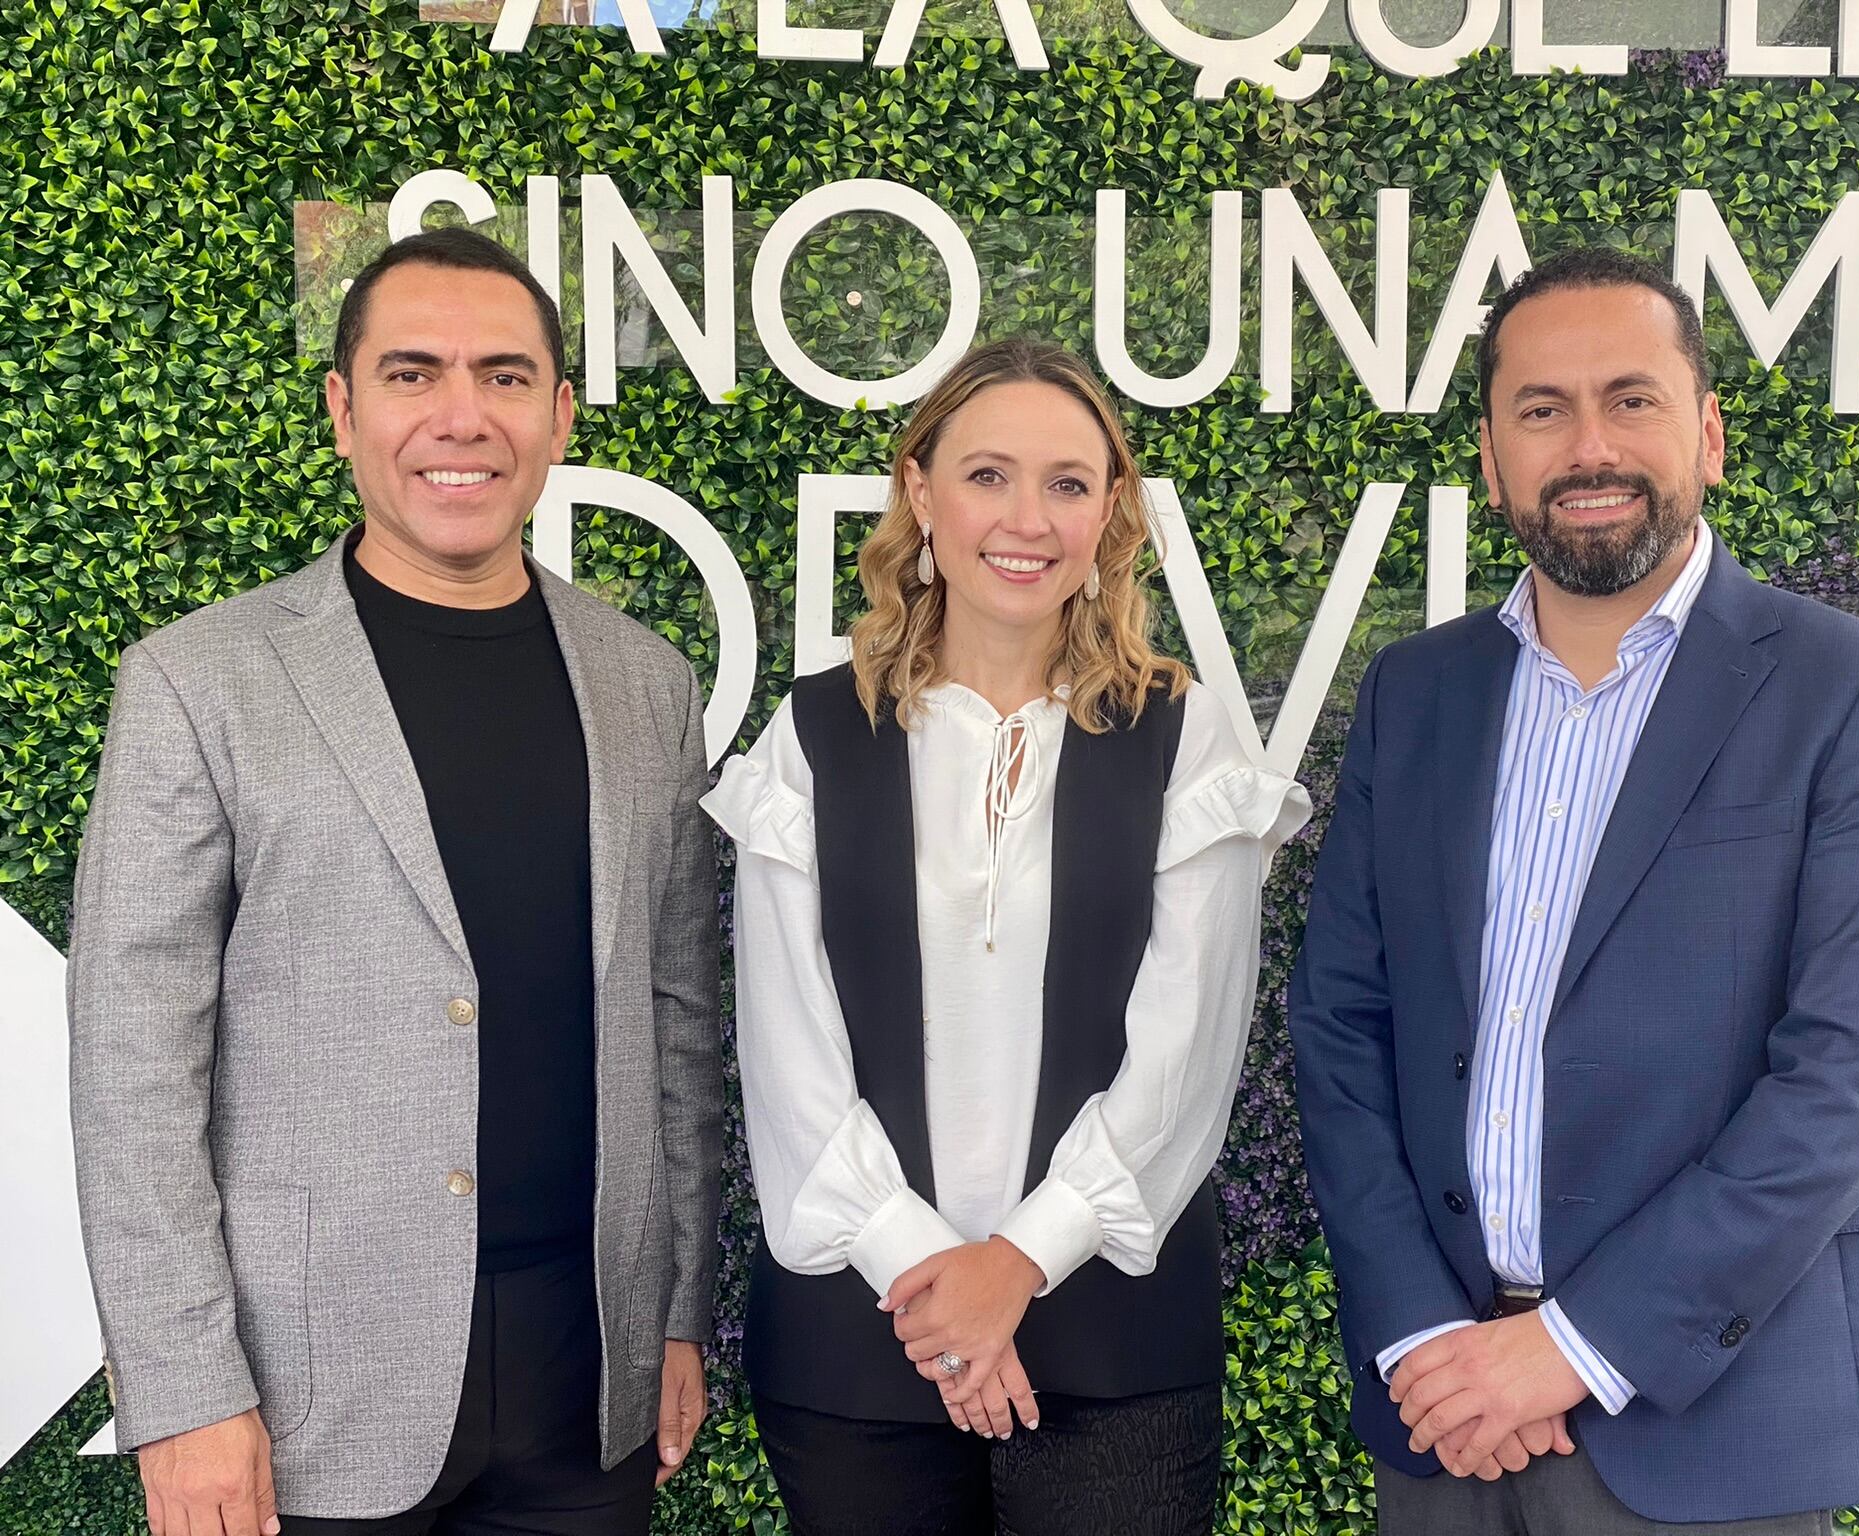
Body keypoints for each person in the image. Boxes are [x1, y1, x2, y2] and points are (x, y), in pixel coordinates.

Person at [1288, 247, 1859, 1533]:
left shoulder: (1848, 692)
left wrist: (1571, 1346)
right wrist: (1419, 1331)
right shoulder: (1412, 694)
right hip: (1441, 1416)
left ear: (1706, 435)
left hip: (1705, 1426)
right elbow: (1339, 1025)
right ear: (1491, 459)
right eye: (1541, 409)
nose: (1587, 446)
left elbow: (1850, 1076)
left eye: (1629, 399)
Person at [68, 228, 726, 1536]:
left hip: (588, 1376)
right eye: (413, 373)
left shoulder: (648, 683)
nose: (459, 416)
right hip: (306, 1392)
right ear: (343, 408)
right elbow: (131, 1066)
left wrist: (674, 1314)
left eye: (503, 376)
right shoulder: (200, 682)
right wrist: (185, 1392)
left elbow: (678, 1025)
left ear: (559, 415)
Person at [701, 338, 1308, 1535]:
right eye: (987, 475)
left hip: (1113, 1350)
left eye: (1066, 483)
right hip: (856, 1348)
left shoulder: (1181, 736)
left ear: (1109, 513)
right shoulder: (812, 734)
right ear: (919, 492)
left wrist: (1015, 1264)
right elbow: (787, 1060)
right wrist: (934, 1290)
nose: (1025, 519)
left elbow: (1185, 1060)